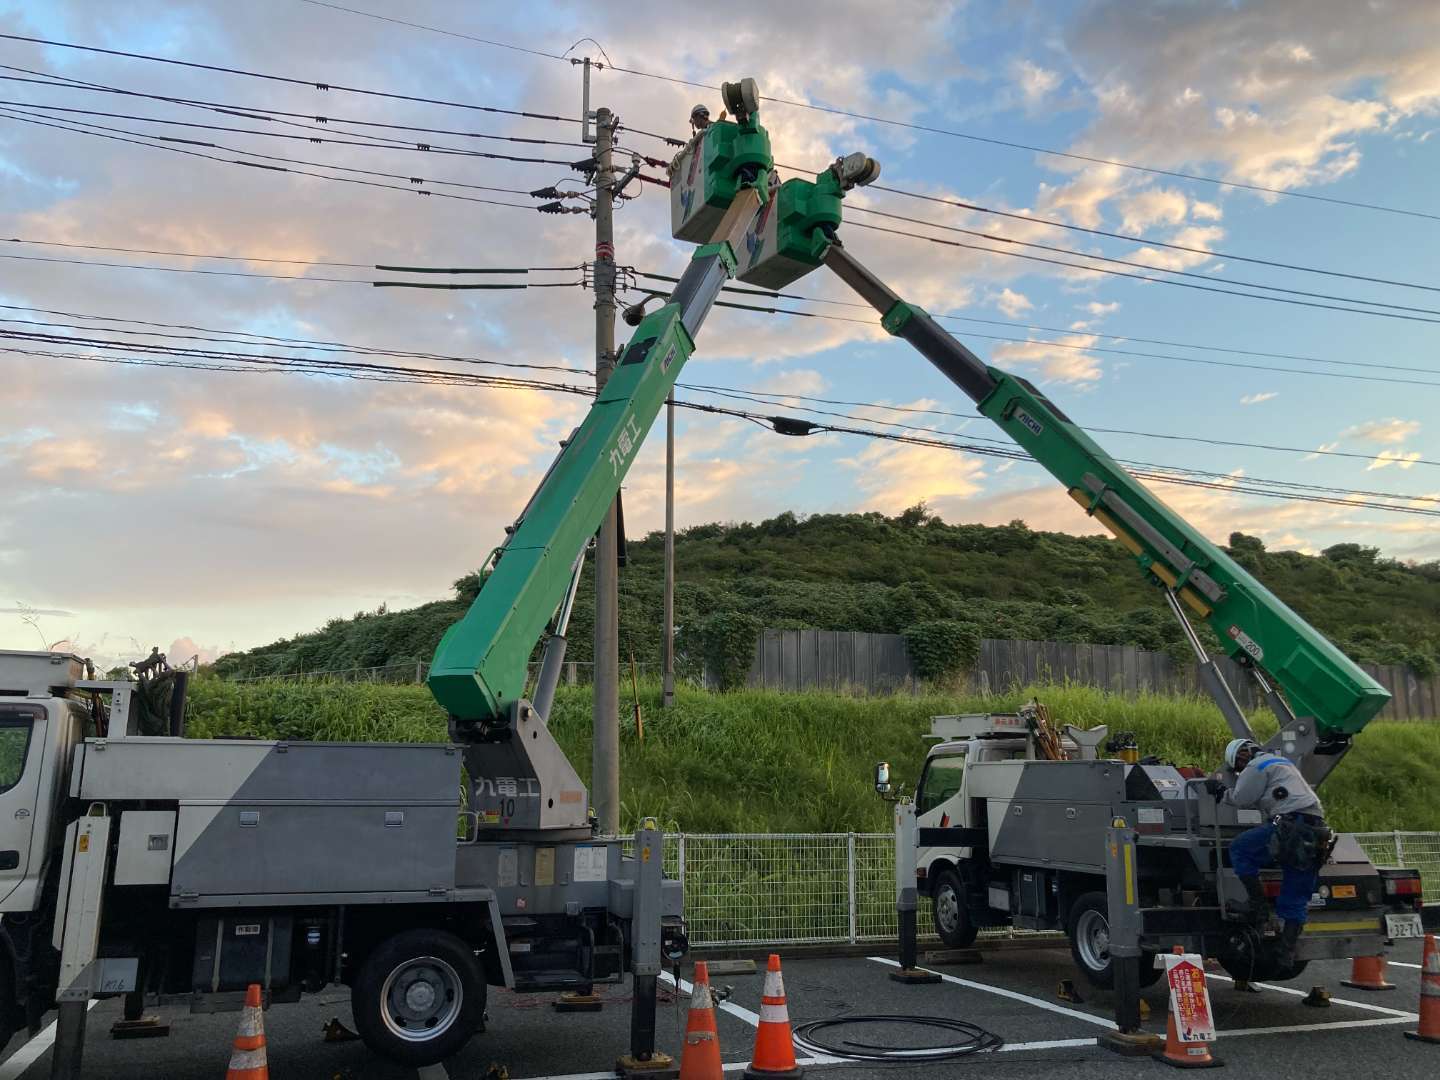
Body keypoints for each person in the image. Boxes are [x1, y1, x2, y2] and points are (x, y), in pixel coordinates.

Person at [1205, 738, 1331, 967]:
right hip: (1315, 831)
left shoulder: (1256, 766)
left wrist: (1221, 792)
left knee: (1241, 849)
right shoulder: (1283, 764)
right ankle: (1286, 952)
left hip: (1290, 826)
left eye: (1238, 767)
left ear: (1240, 757)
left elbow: (1242, 798)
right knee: (1296, 894)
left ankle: (1258, 907)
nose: (1240, 770)